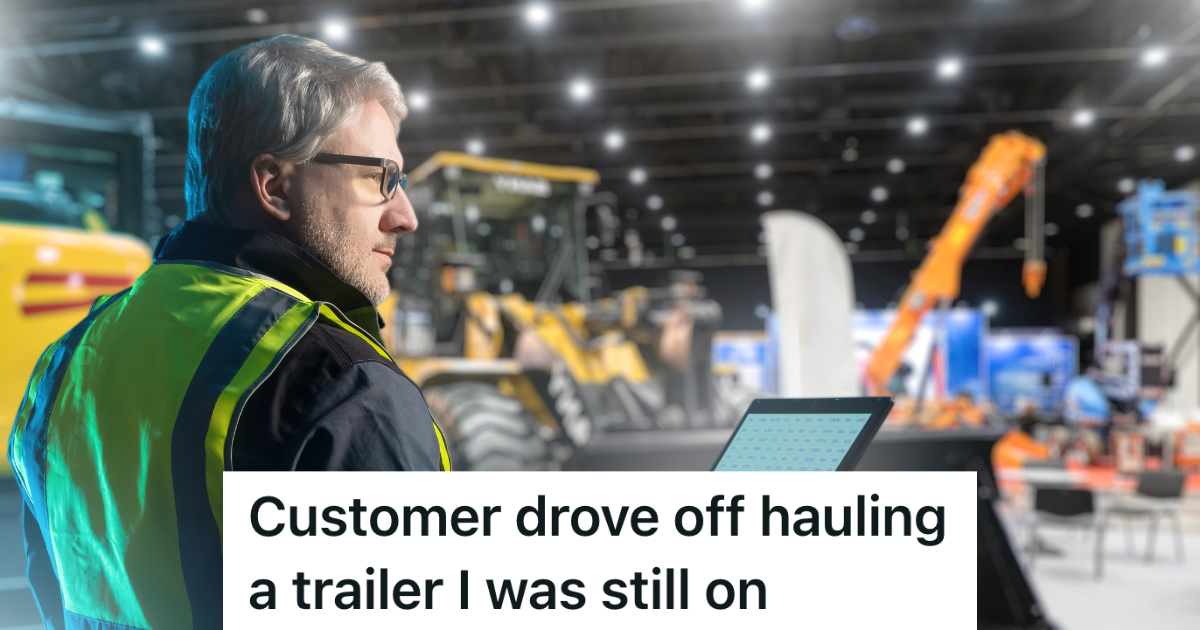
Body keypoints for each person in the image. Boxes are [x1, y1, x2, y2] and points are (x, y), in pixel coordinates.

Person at [7, 35, 449, 630]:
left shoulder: (66, 362)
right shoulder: (339, 383)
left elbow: (55, 586)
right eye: (380, 178)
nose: (405, 216)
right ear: (273, 185)